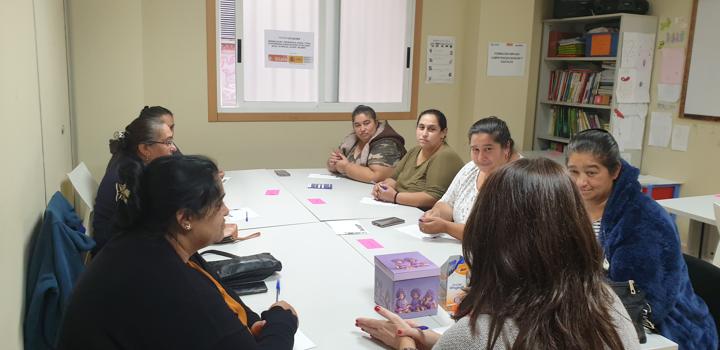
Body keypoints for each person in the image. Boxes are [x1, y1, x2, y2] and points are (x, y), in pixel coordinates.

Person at [356, 158, 640, 349]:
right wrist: (432, 340)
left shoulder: (479, 334)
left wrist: (407, 344)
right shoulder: (606, 304)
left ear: (486, 233)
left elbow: (478, 341)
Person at [59, 155, 299, 349]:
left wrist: (251, 327)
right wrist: (282, 321)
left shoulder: (147, 240)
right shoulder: (166, 281)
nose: (226, 211)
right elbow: (205, 317)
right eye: (218, 204)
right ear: (185, 218)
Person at [566, 129, 717, 349]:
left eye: (591, 172)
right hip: (593, 309)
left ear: (615, 171)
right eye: (573, 172)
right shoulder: (570, 206)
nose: (581, 182)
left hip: (664, 328)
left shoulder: (643, 218)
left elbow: (647, 302)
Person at [419, 116, 520, 240]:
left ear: (506, 147)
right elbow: (448, 203)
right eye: (475, 149)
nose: (480, 157)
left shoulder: (518, 178)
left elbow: (490, 235)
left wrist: (445, 227)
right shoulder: (471, 169)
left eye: (488, 149)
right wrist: (436, 214)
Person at [92, 112, 177, 255]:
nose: (173, 148)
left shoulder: (129, 162)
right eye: (168, 142)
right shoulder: (131, 175)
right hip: (116, 257)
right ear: (144, 148)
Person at [371, 109, 463, 209]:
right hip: (400, 206)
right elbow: (393, 179)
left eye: (431, 129)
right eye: (421, 127)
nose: (424, 133)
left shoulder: (445, 155)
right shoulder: (415, 150)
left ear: (443, 133)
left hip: (422, 214)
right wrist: (382, 187)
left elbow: (433, 197)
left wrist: (395, 197)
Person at [327, 105, 406, 183]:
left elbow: (376, 177)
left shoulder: (387, 144)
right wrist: (333, 164)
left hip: (381, 192)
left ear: (376, 122)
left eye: (366, 123)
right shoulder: (352, 139)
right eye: (357, 125)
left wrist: (345, 167)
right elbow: (337, 162)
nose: (362, 129)